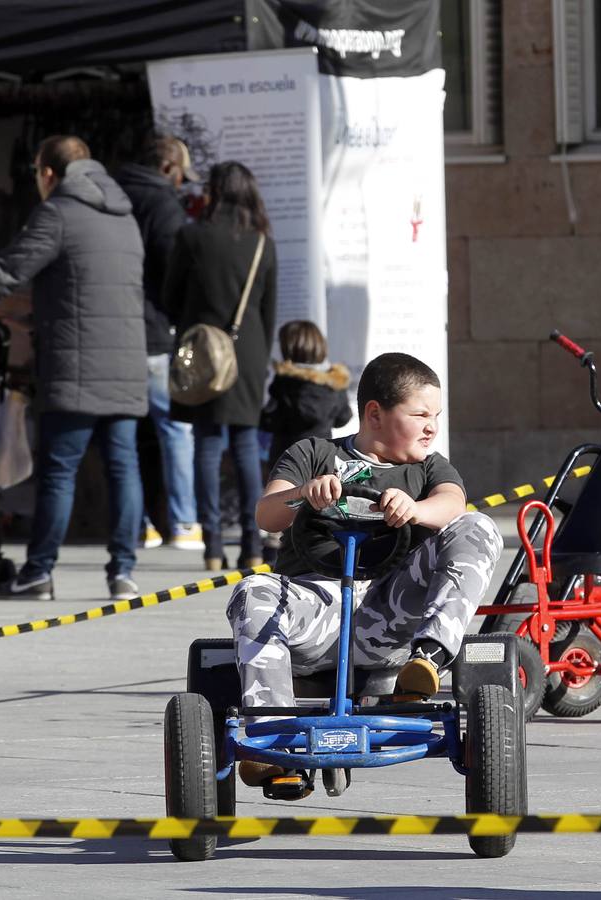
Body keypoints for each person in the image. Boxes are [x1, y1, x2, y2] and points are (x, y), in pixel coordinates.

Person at [227, 352, 501, 798]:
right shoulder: (315, 453)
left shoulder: (428, 467)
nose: (432, 426)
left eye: (437, 416)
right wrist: (304, 494)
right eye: (420, 415)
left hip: (388, 613)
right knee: (252, 589)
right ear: (375, 413)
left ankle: (429, 659)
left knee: (478, 526)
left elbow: (453, 503)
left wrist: (416, 509)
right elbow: (266, 514)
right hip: (315, 607)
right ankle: (269, 739)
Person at [0, 135, 147, 602]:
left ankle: (38, 572)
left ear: (48, 173)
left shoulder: (58, 213)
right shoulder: (125, 217)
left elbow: (7, 271)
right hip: (127, 364)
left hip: (75, 367)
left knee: (58, 472)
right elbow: (93, 292)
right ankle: (124, 573)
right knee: (124, 469)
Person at [164, 161, 277, 571]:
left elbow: (169, 298)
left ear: (214, 191)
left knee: (208, 444)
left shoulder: (192, 236)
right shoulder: (262, 242)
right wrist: (259, 360)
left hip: (204, 352)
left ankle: (212, 547)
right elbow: (269, 309)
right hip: (247, 354)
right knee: (246, 446)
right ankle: (252, 544)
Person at [115, 134, 201, 552]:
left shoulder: (111, 191)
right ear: (168, 168)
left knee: (127, 432)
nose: (183, 184)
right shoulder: (164, 204)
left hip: (115, 332)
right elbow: (173, 270)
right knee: (175, 430)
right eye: (182, 174)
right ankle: (184, 522)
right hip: (153, 330)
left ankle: (139, 525)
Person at [261, 320, 353, 472]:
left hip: (286, 458)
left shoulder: (284, 381)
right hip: (323, 457)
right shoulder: (334, 381)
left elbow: (270, 420)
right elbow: (343, 418)